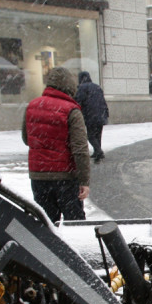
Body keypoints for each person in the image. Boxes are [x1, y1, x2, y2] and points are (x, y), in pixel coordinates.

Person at [22, 67, 90, 223]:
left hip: (39, 176)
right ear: (70, 87)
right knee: (75, 223)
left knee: (47, 224)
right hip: (65, 178)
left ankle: (48, 248)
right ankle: (75, 248)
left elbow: (27, 139)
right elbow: (80, 149)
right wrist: (84, 181)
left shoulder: (32, 106)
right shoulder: (71, 110)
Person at [75, 71, 109, 162]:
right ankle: (97, 152)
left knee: (90, 135)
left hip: (90, 114)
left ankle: (99, 151)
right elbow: (103, 101)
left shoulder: (82, 88)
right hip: (101, 113)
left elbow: (78, 101)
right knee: (98, 134)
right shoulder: (97, 87)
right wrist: (106, 113)